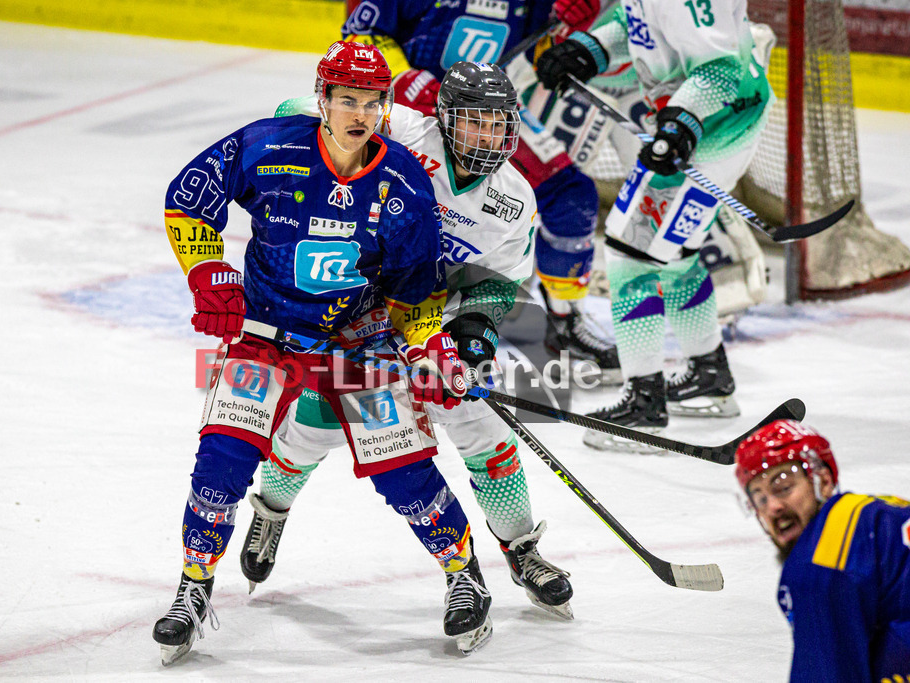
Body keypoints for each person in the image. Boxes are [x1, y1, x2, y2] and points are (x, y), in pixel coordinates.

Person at [152, 41, 495, 664]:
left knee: (403, 470)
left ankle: (463, 572)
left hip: (356, 334)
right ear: (323, 99)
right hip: (265, 328)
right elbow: (187, 200)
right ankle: (192, 587)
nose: (360, 113)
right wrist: (209, 273)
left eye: (372, 101)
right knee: (223, 460)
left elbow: (414, 294)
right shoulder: (269, 145)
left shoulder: (404, 184)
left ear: (386, 106)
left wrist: (429, 348)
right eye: (347, 100)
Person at [245, 61, 574, 621]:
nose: (489, 138)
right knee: (312, 431)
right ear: (445, 120)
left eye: (499, 125)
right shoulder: (399, 130)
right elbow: (293, 114)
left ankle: (522, 550)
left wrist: (472, 338)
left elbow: (495, 284)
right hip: (355, 315)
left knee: (484, 429)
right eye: (475, 124)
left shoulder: (514, 200)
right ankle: (271, 511)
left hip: (434, 322)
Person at [535, 0, 775, 451]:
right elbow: (635, 24)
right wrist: (586, 50)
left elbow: (722, 70)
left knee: (629, 254)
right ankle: (709, 376)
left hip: (714, 127)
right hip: (707, 123)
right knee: (675, 256)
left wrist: (680, 127)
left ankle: (644, 406)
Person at [341, 0, 622, 382]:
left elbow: (541, 57)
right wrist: (406, 79)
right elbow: (361, 36)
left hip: (484, 117)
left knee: (570, 195)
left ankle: (565, 318)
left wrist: (568, 26)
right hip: (409, 111)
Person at [735, 420, 910, 681]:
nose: (773, 507)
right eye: (760, 498)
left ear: (824, 481)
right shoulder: (878, 509)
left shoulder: (820, 565)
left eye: (783, 488)